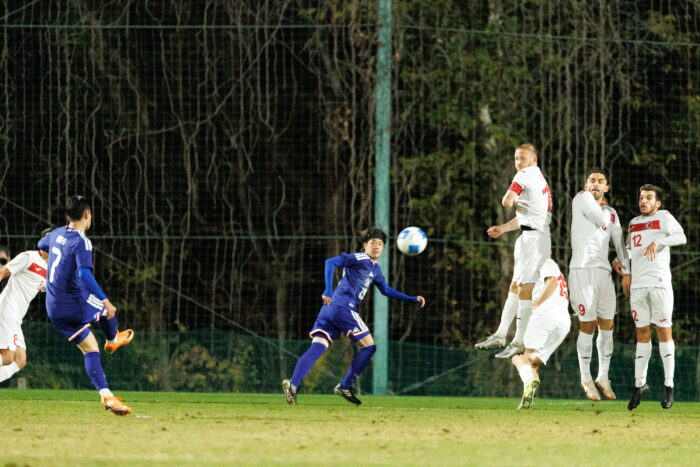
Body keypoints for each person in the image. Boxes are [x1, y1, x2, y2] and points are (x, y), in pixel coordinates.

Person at [282, 228, 425, 405]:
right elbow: (330, 262)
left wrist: (411, 299)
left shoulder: (376, 269)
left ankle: (293, 385)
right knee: (369, 347)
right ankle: (345, 386)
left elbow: (386, 290)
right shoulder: (359, 258)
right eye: (373, 243)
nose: (376, 247)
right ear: (365, 245)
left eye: (380, 244)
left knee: (317, 347)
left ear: (383, 248)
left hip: (329, 310)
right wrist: (328, 289)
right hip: (343, 308)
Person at [39, 196, 135, 415]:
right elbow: (84, 274)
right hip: (72, 303)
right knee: (106, 311)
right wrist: (106, 300)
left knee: (91, 348)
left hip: (53, 307)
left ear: (67, 216)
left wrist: (48, 266)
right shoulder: (82, 241)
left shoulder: (56, 233)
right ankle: (113, 340)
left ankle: (107, 396)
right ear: (86, 215)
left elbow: (41, 245)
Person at [486, 143, 552, 359]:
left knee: (524, 288)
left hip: (534, 241)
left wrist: (511, 197)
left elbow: (506, 202)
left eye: (523, 158)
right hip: (531, 238)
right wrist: (503, 229)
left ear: (534, 160)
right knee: (515, 286)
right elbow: (527, 217)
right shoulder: (539, 178)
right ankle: (500, 334)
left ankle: (519, 341)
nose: (518, 163)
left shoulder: (525, 174)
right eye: (516, 158)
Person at [569, 169, 629, 401]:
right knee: (587, 325)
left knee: (608, 325)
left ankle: (603, 376)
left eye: (600, 181)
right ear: (586, 185)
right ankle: (585, 377)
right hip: (582, 270)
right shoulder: (581, 198)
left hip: (604, 273)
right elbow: (601, 220)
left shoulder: (612, 212)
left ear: (606, 187)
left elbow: (619, 243)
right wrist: (605, 213)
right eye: (591, 180)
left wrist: (627, 271)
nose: (595, 184)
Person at [624, 185, 685, 410]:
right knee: (641, 334)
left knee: (664, 331)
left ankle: (669, 385)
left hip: (659, 284)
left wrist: (659, 242)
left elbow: (681, 237)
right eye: (641, 197)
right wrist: (623, 266)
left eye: (649, 198)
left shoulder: (664, 217)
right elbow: (629, 250)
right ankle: (639, 384)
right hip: (638, 286)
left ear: (657, 203)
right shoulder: (633, 223)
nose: (643, 201)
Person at [510, 257, 570, 409]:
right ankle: (527, 399)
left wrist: (536, 304)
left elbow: (552, 281)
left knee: (518, 358)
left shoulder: (542, 262)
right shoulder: (551, 266)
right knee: (531, 364)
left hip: (544, 316)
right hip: (563, 323)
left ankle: (528, 382)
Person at [0, 230, 51, 383]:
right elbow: (2, 273)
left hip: (16, 317)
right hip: (6, 310)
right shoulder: (28, 257)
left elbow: (54, 290)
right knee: (7, 357)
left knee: (20, 360)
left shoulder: (50, 269)